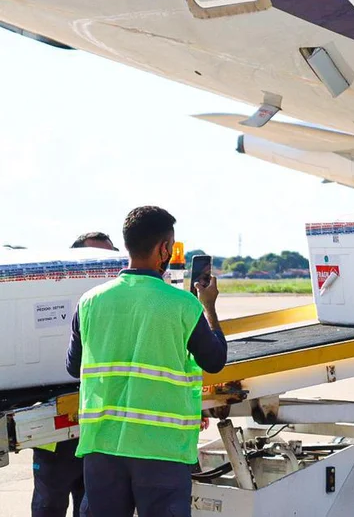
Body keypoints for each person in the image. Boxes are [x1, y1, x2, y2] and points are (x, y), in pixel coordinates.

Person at [65, 206, 227, 517]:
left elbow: (74, 367)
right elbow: (215, 360)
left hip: (103, 447)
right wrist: (209, 307)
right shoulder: (183, 304)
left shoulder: (89, 302)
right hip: (162, 450)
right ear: (164, 249)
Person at [30, 232, 117, 517]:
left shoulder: (114, 305)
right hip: (56, 433)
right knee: (49, 504)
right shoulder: (50, 300)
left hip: (99, 433)